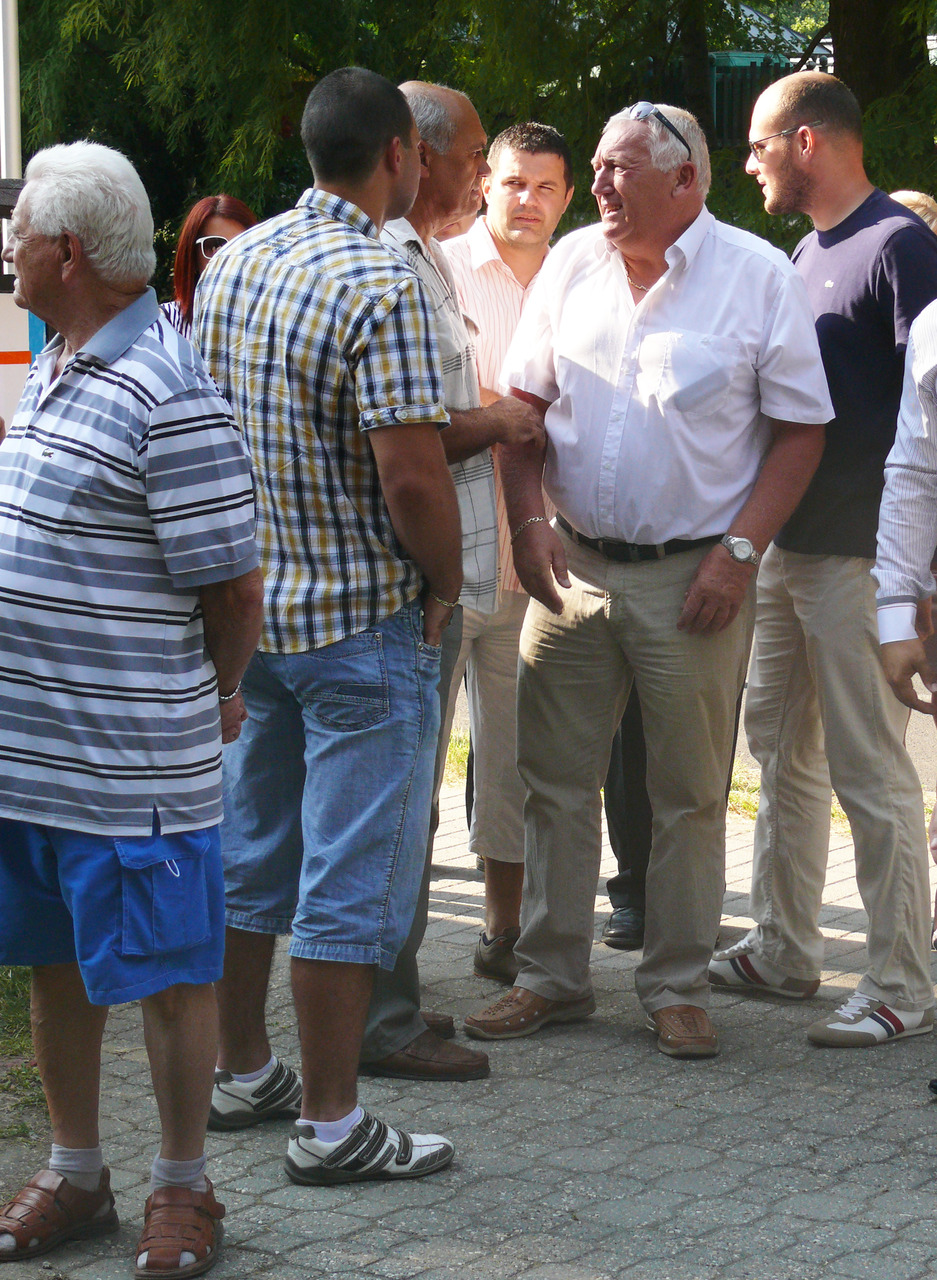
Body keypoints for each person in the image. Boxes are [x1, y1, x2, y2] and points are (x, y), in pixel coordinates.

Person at [463, 101, 832, 1060]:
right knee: (553, 783)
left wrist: (738, 554)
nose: (599, 184)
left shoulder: (755, 276)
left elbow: (801, 432)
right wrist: (529, 525)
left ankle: (675, 986)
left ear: (686, 180)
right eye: (597, 166)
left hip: (694, 579)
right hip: (573, 569)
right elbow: (522, 411)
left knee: (689, 795)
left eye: (620, 168)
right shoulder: (572, 265)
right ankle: (550, 976)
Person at [0, 141, 264, 1275]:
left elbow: (234, 589)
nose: (8, 249)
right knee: (56, 964)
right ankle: (77, 1171)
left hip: (131, 768)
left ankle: (183, 1185)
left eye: (18, 233)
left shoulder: (169, 392)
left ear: (66, 251)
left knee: (169, 976)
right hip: (35, 762)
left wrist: (219, 694)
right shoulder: (55, 361)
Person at [196, 67, 463, 1182]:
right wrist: (445, 582)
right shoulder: (384, 282)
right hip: (359, 623)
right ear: (398, 154)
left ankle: (241, 1070)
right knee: (348, 881)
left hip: (254, 619)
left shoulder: (236, 260)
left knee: (249, 857)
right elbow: (412, 476)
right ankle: (332, 1123)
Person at [710, 71, 937, 1047]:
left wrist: (919, 582)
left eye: (759, 144)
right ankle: (783, 947)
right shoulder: (804, 252)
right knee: (779, 752)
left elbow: (931, 417)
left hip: (860, 560)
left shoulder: (902, 246)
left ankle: (899, 985)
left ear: (806, 140)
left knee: (869, 770)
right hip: (786, 550)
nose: (748, 163)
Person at [359, 81, 546, 1082]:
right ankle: (376, 1017)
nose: (484, 174)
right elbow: (411, 445)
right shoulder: (394, 262)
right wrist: (501, 421)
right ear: (415, 154)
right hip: (418, 583)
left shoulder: (416, 254)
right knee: (397, 801)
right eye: (478, 156)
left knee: (417, 796)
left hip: (469, 571)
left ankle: (386, 993)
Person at [441, 121, 574, 982]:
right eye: (514, 182)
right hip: (442, 554)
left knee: (515, 757)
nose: (527, 200)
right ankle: (389, 945)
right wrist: (510, 410)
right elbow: (428, 399)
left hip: (537, 554)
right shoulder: (440, 268)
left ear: (567, 198)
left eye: (545, 187)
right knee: (414, 756)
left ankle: (503, 928)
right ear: (485, 182)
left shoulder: (584, 274)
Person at [162, 194, 257, 338]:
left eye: (241, 246)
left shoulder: (270, 326)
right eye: (214, 246)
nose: (228, 258)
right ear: (192, 256)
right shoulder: (163, 325)